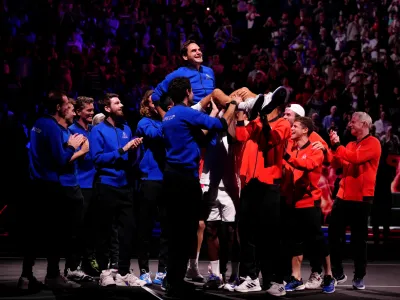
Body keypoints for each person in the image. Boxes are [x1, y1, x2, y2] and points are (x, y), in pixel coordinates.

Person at [161, 77, 240, 298]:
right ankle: (175, 283)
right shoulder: (186, 113)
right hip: (184, 179)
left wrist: (212, 113)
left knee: (176, 232)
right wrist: (232, 104)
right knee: (185, 233)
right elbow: (221, 125)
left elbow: (199, 138)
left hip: (171, 178)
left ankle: (173, 279)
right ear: (188, 92)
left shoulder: (170, 115)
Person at [18, 91, 86, 290]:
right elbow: (60, 159)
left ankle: (26, 276)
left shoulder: (38, 123)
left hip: (34, 183)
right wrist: (73, 146)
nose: (69, 107)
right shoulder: (53, 127)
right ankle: (53, 275)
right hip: (49, 185)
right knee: (55, 233)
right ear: (59, 107)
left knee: (34, 233)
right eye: (67, 104)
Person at [234, 88, 290, 297]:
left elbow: (271, 140)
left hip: (269, 184)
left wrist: (262, 120)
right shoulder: (256, 122)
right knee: (246, 231)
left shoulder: (283, 124)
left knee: (269, 235)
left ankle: (273, 279)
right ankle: (251, 277)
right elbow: (241, 135)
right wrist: (241, 116)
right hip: (251, 183)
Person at [90, 93, 144, 287]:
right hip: (106, 185)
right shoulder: (97, 131)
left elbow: (131, 162)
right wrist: (122, 150)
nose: (121, 105)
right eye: (116, 103)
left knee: (128, 229)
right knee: (104, 231)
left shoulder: (126, 129)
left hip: (125, 186)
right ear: (107, 108)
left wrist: (135, 150)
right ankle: (104, 271)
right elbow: (97, 159)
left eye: (121, 102)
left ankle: (122, 271)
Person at [281, 103, 332, 289]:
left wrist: (287, 158)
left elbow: (309, 164)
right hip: (292, 200)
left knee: (316, 240)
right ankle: (296, 277)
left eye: (290, 118)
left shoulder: (315, 146)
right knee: (294, 240)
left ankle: (328, 275)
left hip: (310, 201)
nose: (286, 121)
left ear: (304, 129)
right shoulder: (292, 146)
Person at [329, 111, 381, 290]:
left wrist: (338, 146)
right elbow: (337, 164)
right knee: (333, 235)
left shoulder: (373, 143)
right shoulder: (350, 144)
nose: (350, 124)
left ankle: (359, 276)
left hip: (361, 198)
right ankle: (337, 272)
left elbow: (355, 159)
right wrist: (334, 148)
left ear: (365, 124)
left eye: (353, 122)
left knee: (359, 240)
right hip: (342, 196)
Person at [201, 108, 242, 291]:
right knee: (211, 229)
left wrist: (231, 113)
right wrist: (215, 112)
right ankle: (216, 274)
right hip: (209, 184)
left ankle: (235, 273)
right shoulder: (208, 129)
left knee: (232, 233)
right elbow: (200, 133)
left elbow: (235, 135)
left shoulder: (232, 131)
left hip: (229, 185)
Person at [135, 91, 173, 286]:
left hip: (167, 179)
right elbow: (155, 134)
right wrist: (171, 120)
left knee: (167, 227)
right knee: (146, 227)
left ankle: (163, 269)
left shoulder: (169, 120)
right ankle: (143, 270)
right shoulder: (144, 122)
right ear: (147, 105)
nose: (156, 104)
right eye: (152, 102)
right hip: (149, 178)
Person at [68, 96, 99, 277]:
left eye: (92, 109)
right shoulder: (72, 131)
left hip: (95, 184)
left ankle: (88, 262)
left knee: (91, 227)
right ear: (78, 111)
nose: (92, 113)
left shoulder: (93, 130)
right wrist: (81, 152)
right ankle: (73, 266)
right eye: (88, 110)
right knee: (77, 227)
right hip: (79, 183)